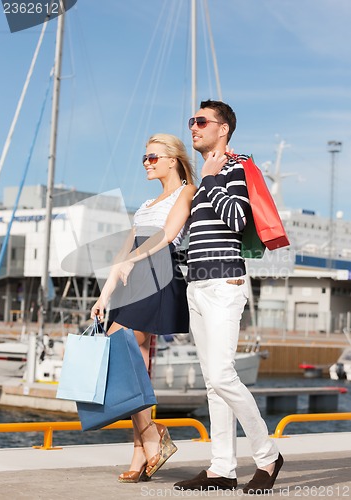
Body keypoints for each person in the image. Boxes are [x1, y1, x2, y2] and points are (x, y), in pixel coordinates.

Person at [173, 100, 283, 493]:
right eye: (192, 121)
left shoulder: (232, 169)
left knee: (222, 375)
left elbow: (237, 219)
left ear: (224, 129)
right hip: (197, 285)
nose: (193, 127)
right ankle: (222, 468)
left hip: (224, 284)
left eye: (201, 121)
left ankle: (268, 457)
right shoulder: (204, 178)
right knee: (211, 383)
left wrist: (211, 179)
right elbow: (192, 239)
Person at [91, 133, 196, 483]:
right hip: (134, 278)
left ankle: (150, 438)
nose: (147, 163)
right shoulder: (146, 204)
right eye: (144, 158)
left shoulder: (186, 192)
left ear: (172, 159)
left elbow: (167, 235)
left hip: (159, 273)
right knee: (136, 363)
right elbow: (123, 253)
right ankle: (143, 449)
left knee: (128, 357)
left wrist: (131, 261)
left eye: (153, 157)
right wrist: (104, 295)